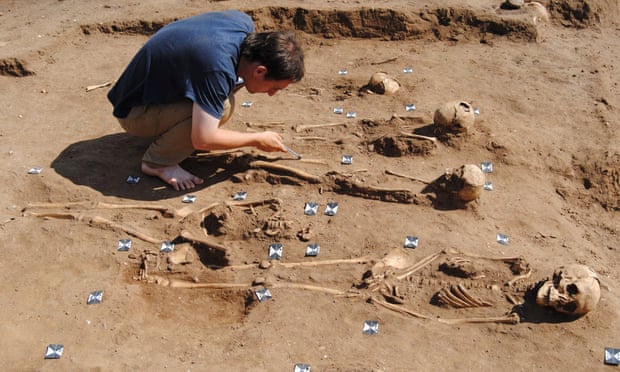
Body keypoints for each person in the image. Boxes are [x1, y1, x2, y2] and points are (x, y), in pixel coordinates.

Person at [107, 10, 305, 191]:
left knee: (220, 99)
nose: (271, 94)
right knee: (223, 107)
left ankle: (178, 134)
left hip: (148, 90)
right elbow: (203, 139)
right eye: (274, 88)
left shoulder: (243, 26)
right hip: (134, 112)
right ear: (260, 70)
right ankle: (158, 163)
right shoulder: (216, 68)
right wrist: (256, 139)